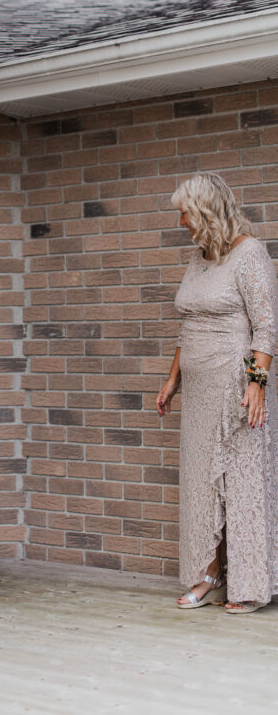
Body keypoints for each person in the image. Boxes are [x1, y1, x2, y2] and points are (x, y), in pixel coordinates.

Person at [157, 173, 278, 614]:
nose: (182, 220)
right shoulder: (199, 258)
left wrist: (257, 386)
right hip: (200, 390)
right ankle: (209, 575)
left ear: (206, 212)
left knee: (242, 485)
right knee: (201, 487)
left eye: (185, 212)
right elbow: (187, 324)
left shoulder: (250, 255)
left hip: (236, 386)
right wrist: (174, 379)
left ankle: (250, 583)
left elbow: (267, 326)